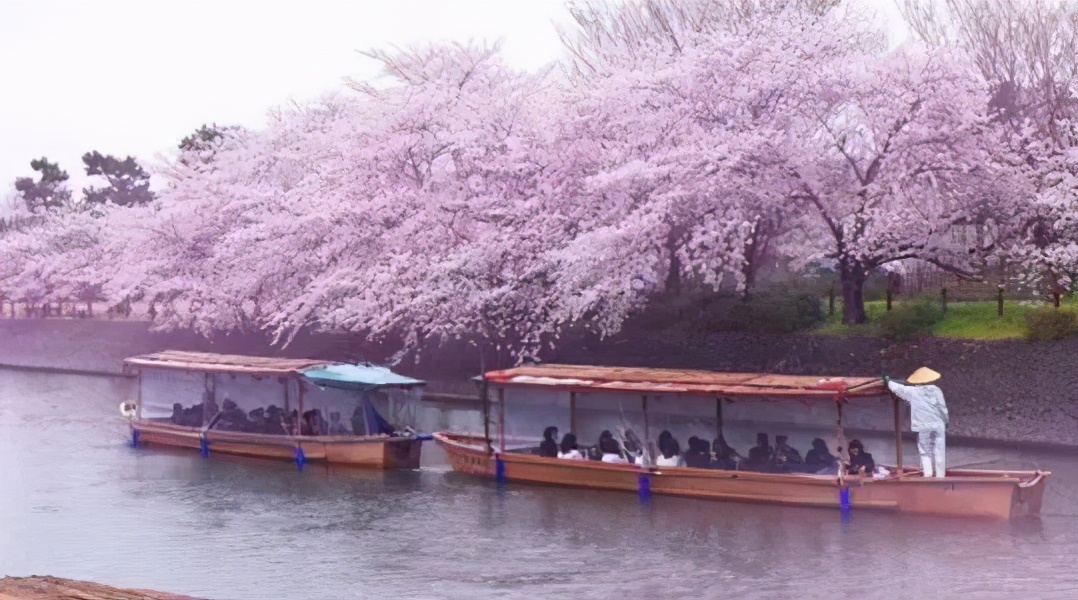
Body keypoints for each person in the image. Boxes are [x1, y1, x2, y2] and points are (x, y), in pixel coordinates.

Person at [885, 367, 949, 478]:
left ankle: (928, 473)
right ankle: (940, 475)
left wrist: (888, 381)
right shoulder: (937, 390)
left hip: (923, 425)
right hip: (938, 424)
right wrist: (946, 420)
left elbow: (898, 388)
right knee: (939, 450)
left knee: (925, 450)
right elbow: (942, 407)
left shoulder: (913, 392)